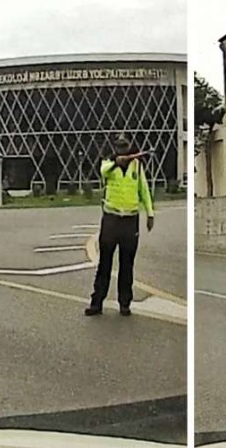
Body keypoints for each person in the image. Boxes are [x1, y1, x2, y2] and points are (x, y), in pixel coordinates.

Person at [85, 135, 154, 317]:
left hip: (130, 220)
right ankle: (97, 302)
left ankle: (125, 303)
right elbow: (104, 172)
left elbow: (143, 190)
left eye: (125, 146)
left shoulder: (137, 166)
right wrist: (117, 162)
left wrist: (150, 213)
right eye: (119, 147)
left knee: (127, 264)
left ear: (129, 146)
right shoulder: (107, 162)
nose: (122, 150)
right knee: (105, 262)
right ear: (115, 148)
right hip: (111, 218)